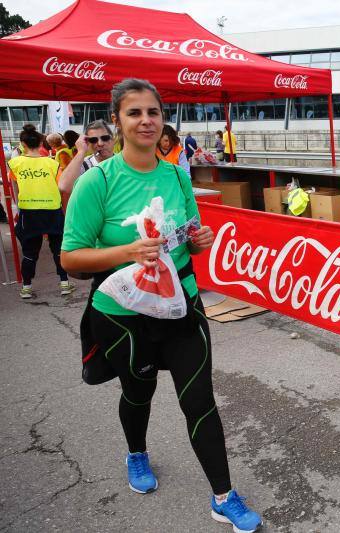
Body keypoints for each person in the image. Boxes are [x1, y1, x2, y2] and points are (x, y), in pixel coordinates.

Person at [60, 78, 262, 533]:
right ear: (117, 122)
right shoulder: (99, 181)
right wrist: (126, 252)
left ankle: (223, 496)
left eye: (153, 112)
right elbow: (71, 259)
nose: (146, 120)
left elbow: (189, 239)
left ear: (162, 119)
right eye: (134, 113)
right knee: (138, 393)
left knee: (201, 402)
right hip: (124, 317)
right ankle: (136, 453)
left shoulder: (175, 173)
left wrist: (199, 241)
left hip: (181, 308)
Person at [7, 125, 75, 299]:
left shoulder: (15, 163)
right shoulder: (52, 163)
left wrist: (18, 205)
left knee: (30, 252)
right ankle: (65, 284)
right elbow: (61, 188)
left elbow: (14, 188)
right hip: (52, 210)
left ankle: (27, 287)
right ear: (40, 143)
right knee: (58, 249)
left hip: (28, 212)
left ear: (23, 144)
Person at [58, 119, 116, 194]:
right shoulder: (84, 164)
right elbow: (64, 187)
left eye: (105, 138)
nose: (100, 143)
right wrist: (81, 152)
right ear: (87, 143)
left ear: (113, 139)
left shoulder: (125, 161)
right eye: (93, 140)